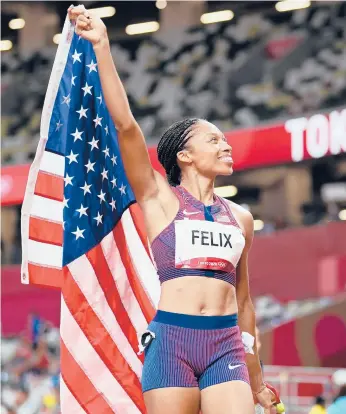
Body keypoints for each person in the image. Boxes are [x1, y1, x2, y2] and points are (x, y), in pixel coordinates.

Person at [68, 6, 275, 414]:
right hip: (172, 343)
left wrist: (258, 381)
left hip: (226, 346)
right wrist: (103, 47)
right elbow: (126, 126)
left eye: (224, 139)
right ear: (185, 155)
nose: (225, 145)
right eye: (213, 140)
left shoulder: (242, 218)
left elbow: (245, 302)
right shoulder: (160, 199)